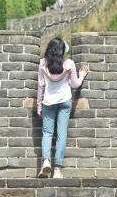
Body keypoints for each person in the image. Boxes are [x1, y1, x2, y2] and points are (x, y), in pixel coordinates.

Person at [37, 37, 89, 179]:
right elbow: (75, 85)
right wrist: (82, 75)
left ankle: (46, 161)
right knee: (61, 134)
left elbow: (41, 86)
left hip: (48, 102)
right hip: (65, 101)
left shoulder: (42, 63)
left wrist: (38, 105)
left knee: (47, 133)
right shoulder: (69, 63)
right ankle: (58, 170)